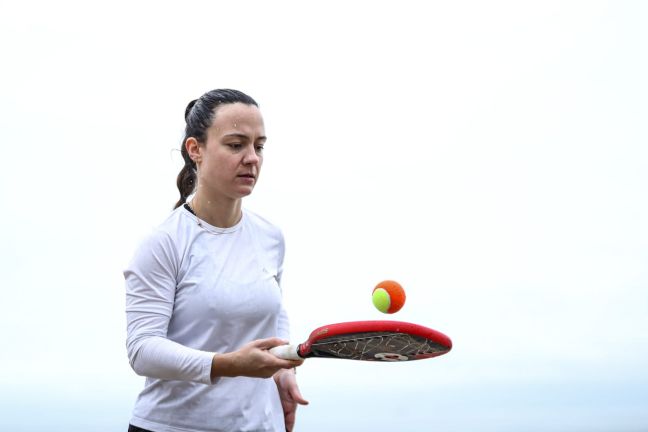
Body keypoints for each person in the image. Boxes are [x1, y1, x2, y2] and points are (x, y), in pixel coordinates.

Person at [124, 89, 308, 432]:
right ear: (196, 150)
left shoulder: (270, 236)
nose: (252, 158)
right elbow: (142, 349)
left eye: (259, 145)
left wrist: (283, 368)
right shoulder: (164, 242)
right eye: (236, 145)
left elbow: (273, 314)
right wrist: (228, 364)